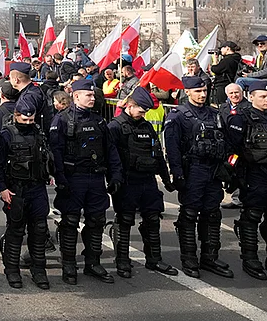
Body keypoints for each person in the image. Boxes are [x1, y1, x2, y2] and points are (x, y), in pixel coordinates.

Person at [50, 78, 123, 285]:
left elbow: (110, 150)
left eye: (93, 95)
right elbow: (56, 152)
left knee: (96, 220)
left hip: (96, 177)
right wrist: (61, 179)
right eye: (88, 95)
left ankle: (93, 262)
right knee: (70, 221)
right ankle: (69, 265)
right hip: (74, 179)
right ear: (76, 96)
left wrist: (115, 175)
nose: (93, 98)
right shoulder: (62, 120)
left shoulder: (99, 121)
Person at [164, 75, 234, 278]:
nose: (202, 94)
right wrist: (177, 175)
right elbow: (173, 149)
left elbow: (227, 143)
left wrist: (229, 169)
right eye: (198, 91)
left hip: (213, 171)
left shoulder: (215, 114)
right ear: (188, 92)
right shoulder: (178, 116)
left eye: (204, 91)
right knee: (190, 215)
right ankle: (189, 259)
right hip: (192, 170)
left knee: (212, 214)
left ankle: (210, 257)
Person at [107, 87, 178, 279]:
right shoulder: (115, 127)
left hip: (147, 180)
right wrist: (114, 179)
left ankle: (154, 258)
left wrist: (166, 180)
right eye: (141, 110)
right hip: (127, 181)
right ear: (130, 106)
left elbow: (158, 156)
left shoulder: (146, 127)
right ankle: (122, 261)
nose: (143, 113)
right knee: (125, 221)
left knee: (153, 219)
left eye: (145, 111)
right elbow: (110, 157)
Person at [0, 96, 53, 290]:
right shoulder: (7, 134)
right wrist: (2, 188)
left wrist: (48, 173)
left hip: (37, 188)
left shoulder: (38, 132)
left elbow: (45, 156)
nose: (28, 123)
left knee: (39, 229)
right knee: (16, 230)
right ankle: (12, 270)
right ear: (16, 115)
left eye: (31, 120)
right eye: (24, 119)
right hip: (15, 189)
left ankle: (39, 269)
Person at [226, 80, 267, 279]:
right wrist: (233, 174)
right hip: (253, 174)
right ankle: (250, 257)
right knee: (252, 217)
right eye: (263, 96)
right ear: (251, 97)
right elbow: (232, 150)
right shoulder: (241, 119)